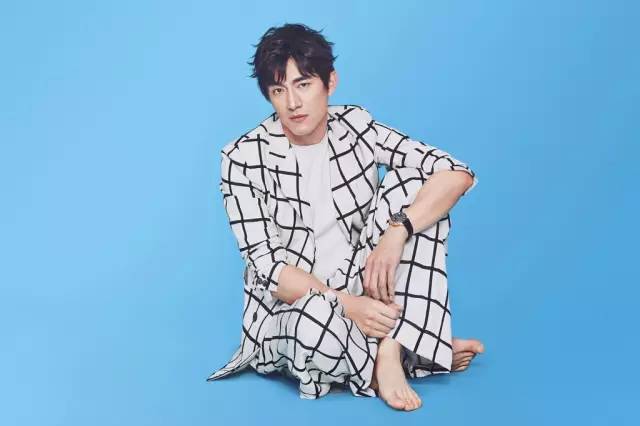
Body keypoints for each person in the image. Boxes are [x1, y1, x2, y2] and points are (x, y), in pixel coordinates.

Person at [207, 23, 485, 411]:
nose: (293, 103)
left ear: (330, 82)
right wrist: (346, 306)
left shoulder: (356, 127)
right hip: (294, 309)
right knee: (314, 326)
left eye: (303, 84)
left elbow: (455, 173)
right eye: (279, 90)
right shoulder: (241, 158)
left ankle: (391, 351)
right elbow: (270, 270)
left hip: (362, 282)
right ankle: (416, 351)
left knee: (414, 188)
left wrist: (396, 233)